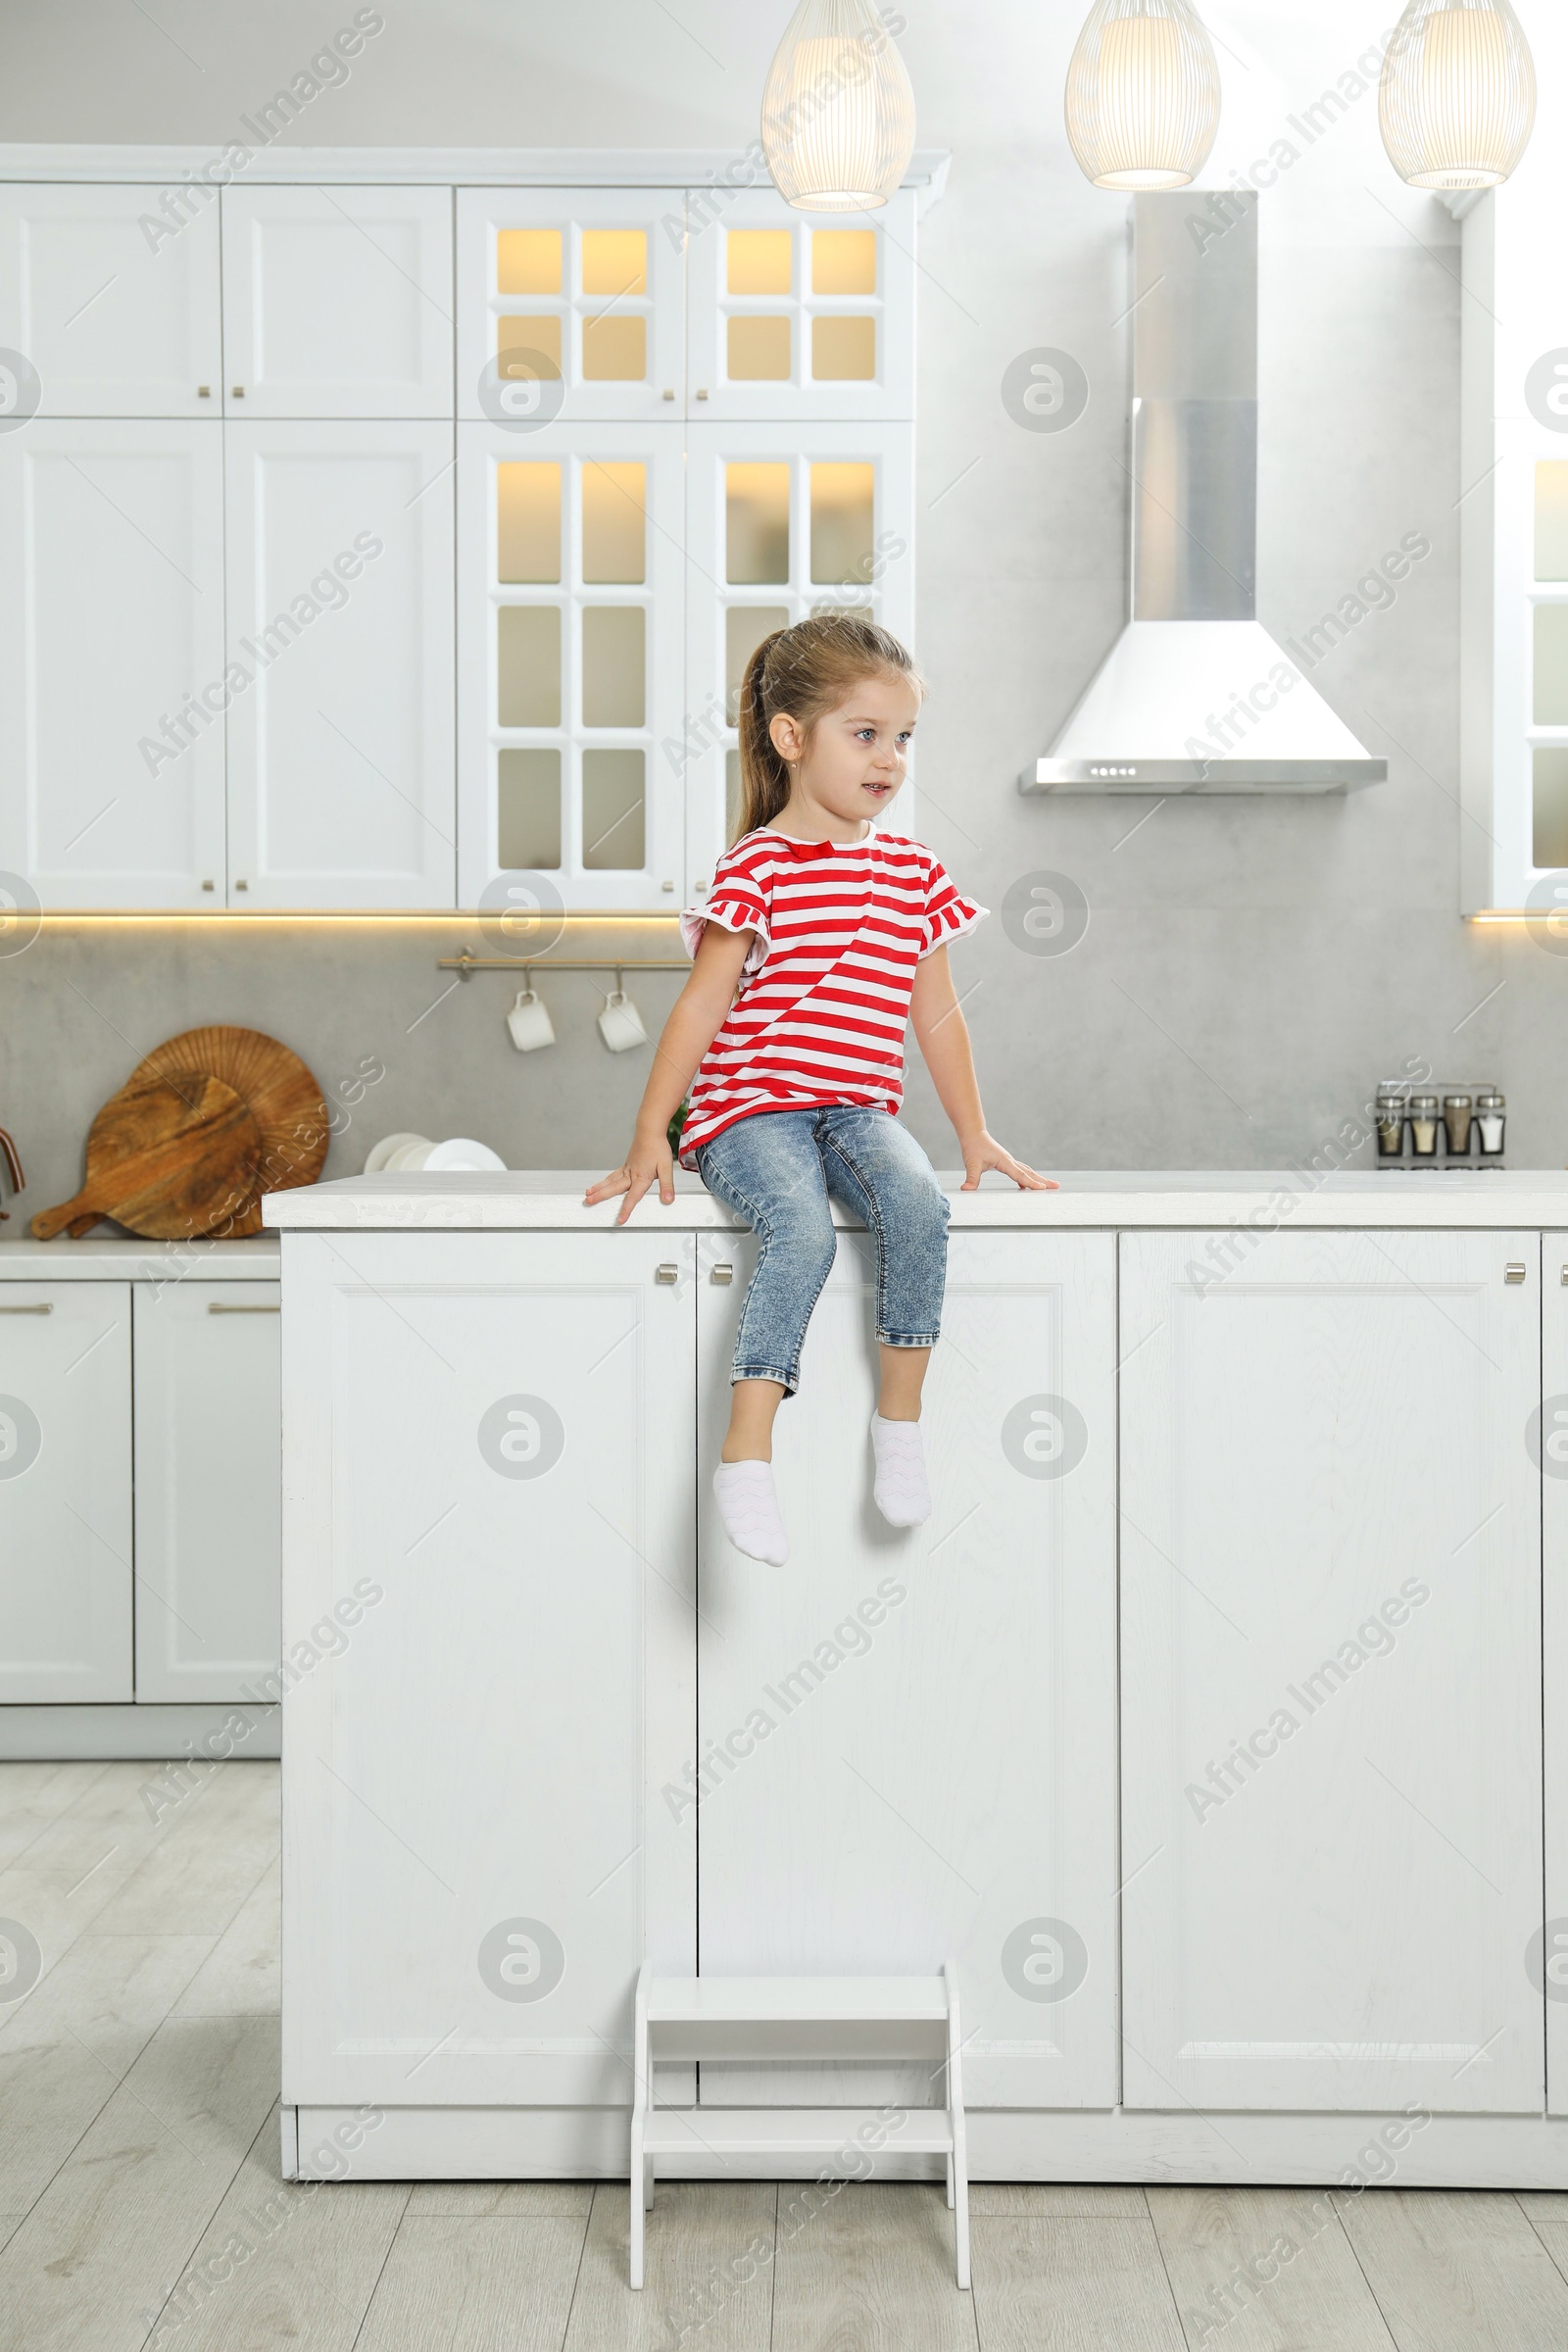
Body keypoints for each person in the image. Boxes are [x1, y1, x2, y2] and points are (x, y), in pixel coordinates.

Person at [585, 612, 1054, 1563]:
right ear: (791, 738)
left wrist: (974, 1134)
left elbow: (937, 1020)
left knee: (918, 1206)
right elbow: (698, 1011)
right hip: (747, 1109)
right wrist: (650, 1135)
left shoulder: (917, 874)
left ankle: (900, 1427)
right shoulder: (756, 867)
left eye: (903, 738)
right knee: (797, 1229)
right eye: (865, 734)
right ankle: (747, 1453)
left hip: (853, 1109)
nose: (888, 759)